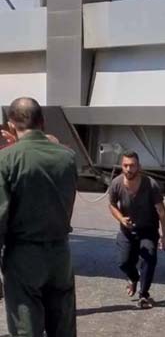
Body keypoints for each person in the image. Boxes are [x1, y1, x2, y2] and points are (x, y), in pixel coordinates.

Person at [0, 97, 78, 337]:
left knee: (27, 329)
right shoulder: (68, 157)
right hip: (61, 254)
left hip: (24, 256)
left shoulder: (6, 159)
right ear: (42, 122)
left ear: (11, 125)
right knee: (63, 327)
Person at [108, 151, 165, 309]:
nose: (128, 169)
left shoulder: (150, 184)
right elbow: (112, 205)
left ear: (139, 167)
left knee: (149, 257)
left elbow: (161, 211)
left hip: (148, 230)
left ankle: (144, 295)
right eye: (125, 165)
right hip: (127, 230)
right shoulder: (116, 183)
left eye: (132, 165)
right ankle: (133, 278)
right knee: (123, 262)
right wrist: (121, 218)